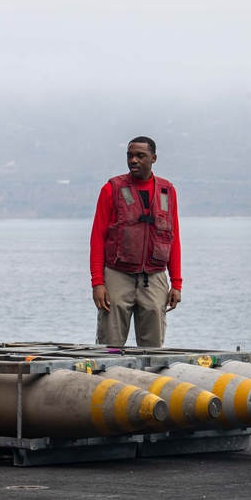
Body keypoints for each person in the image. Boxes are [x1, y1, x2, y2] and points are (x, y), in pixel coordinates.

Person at [89, 136, 182, 347]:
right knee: (109, 347)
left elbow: (173, 239)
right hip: (117, 275)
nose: (134, 160)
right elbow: (97, 239)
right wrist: (98, 282)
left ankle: (148, 380)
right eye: (130, 156)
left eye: (140, 156)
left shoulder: (168, 192)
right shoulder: (111, 189)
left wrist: (176, 283)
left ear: (153, 158)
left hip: (155, 278)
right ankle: (108, 378)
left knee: (153, 350)